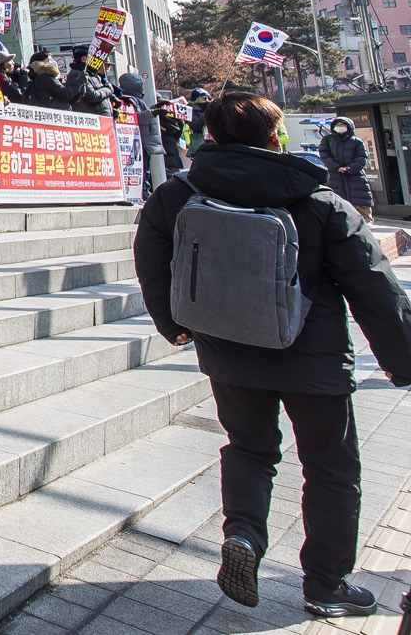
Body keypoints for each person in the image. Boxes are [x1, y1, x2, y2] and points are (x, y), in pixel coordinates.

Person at [133, 92, 411, 619]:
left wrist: (174, 327)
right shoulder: (318, 200)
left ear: (209, 135)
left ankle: (243, 534)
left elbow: (153, 265)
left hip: (228, 349)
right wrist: (401, 357)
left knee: (248, 449)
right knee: (330, 467)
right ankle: (327, 584)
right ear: (274, 136)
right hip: (314, 355)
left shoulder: (175, 195)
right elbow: (373, 286)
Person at [319, 116, 373, 221]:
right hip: (335, 176)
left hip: (356, 176)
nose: (340, 127)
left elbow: (362, 158)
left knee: (361, 200)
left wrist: (349, 168)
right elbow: (324, 154)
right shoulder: (327, 140)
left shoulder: (357, 142)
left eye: (343, 125)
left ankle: (367, 221)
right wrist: (336, 167)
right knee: (338, 201)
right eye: (338, 125)